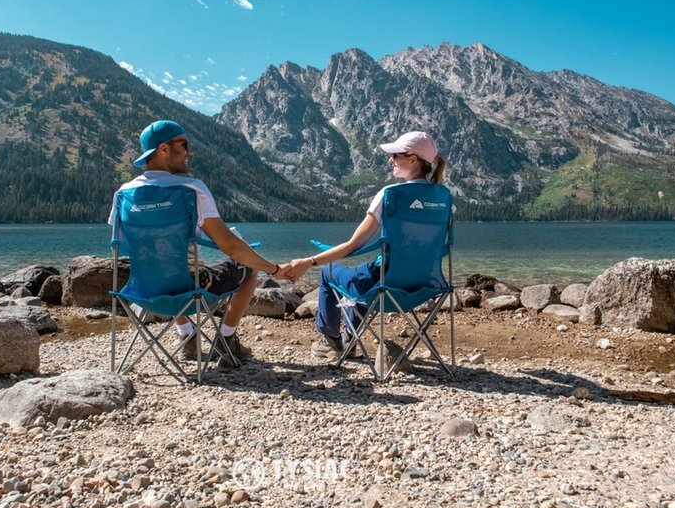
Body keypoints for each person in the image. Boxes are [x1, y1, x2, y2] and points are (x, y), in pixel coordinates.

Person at [109, 119, 288, 367]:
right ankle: (226, 339)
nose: (189, 152)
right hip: (187, 289)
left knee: (169, 268)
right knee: (247, 267)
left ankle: (188, 338)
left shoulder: (124, 194)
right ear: (163, 149)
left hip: (143, 290)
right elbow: (232, 246)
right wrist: (275, 269)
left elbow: (126, 243)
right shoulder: (191, 189)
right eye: (184, 145)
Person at [283, 131, 447, 359]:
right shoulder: (444, 198)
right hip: (424, 286)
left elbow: (352, 245)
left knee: (329, 272)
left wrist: (308, 262)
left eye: (395, 155)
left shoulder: (390, 195)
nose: (390, 160)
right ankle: (351, 335)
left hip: (385, 288)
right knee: (364, 273)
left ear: (412, 160)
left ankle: (331, 340)